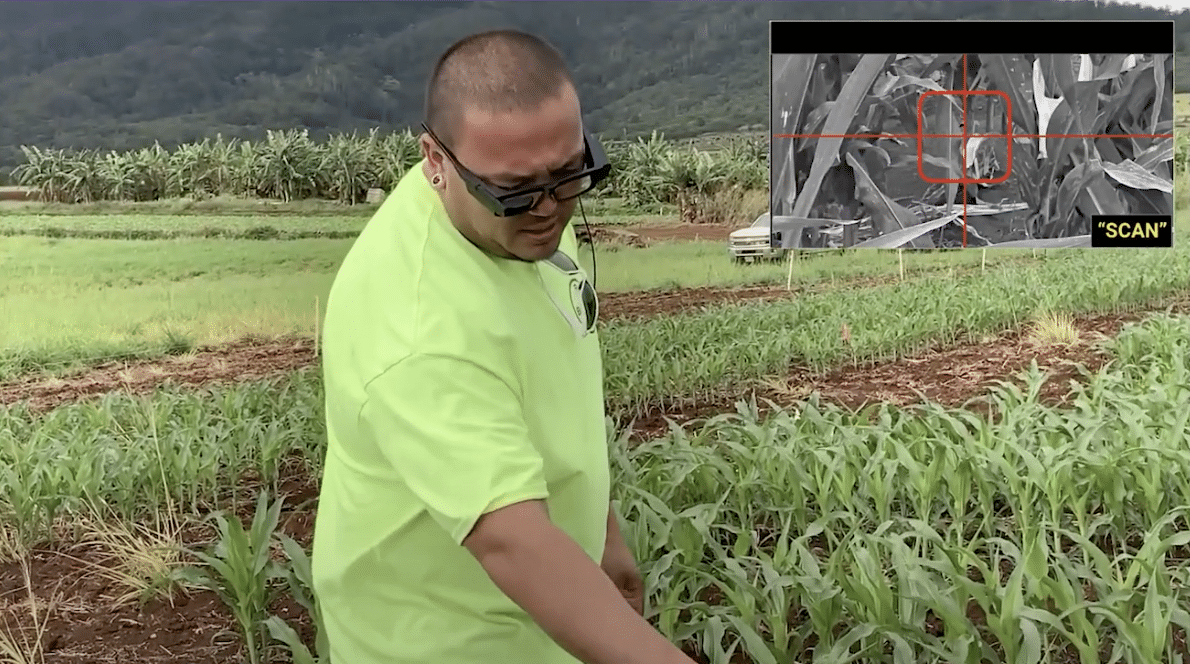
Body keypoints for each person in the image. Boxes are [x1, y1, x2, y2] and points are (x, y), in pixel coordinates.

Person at [310, 29, 698, 664]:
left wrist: (600, 530)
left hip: (538, 617)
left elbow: (551, 383)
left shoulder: (515, 219)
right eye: (515, 190)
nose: (548, 209)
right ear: (436, 160)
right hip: (443, 638)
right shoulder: (420, 330)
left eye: (571, 174)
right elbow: (510, 541)